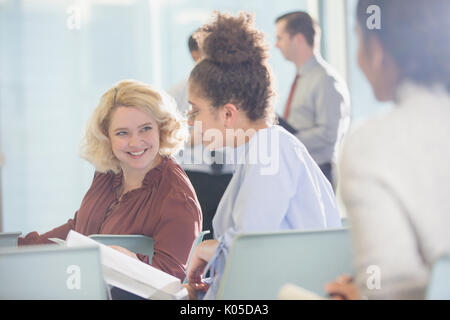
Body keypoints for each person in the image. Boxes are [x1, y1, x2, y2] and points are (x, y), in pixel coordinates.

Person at [185, 12, 341, 300]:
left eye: (195, 110)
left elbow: (249, 251)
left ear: (228, 113)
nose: (191, 121)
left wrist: (213, 250)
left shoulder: (272, 149)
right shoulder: (264, 150)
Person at [325, 0, 450, 299]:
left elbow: (388, 290)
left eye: (358, 38)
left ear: (378, 50)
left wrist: (359, 294)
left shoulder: (371, 145)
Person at [18, 79, 202, 282]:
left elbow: (171, 280)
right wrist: (22, 248)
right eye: (122, 133)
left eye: (145, 129)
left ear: (162, 128)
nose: (135, 142)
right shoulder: (108, 172)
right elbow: (80, 228)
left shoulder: (176, 198)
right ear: (107, 136)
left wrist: (125, 262)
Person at [169, 33, 234, 240]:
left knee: (227, 235)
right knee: (199, 235)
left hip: (229, 175)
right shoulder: (179, 92)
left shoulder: (232, 87)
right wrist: (198, 136)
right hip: (197, 176)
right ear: (195, 54)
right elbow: (169, 136)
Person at [275, 11, 351, 187]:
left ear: (299, 39)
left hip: (318, 172)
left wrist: (288, 142)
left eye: (280, 38)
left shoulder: (326, 80)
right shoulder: (302, 78)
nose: (276, 45)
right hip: (300, 170)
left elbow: (329, 134)